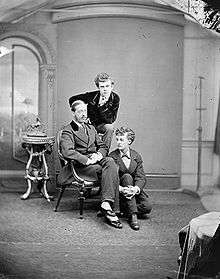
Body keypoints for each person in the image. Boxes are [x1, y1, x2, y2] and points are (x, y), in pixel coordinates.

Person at [57, 100, 122, 229]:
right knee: (107, 170)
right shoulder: (68, 131)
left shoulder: (91, 128)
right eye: (80, 111)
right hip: (80, 166)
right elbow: (67, 152)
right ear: (73, 113)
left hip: (94, 160)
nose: (83, 114)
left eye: (85, 111)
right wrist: (86, 160)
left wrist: (98, 155)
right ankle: (112, 211)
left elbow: (102, 146)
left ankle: (106, 204)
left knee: (110, 162)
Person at [109, 127, 152, 230]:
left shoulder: (136, 156)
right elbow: (110, 179)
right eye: (117, 139)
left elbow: (141, 177)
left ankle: (124, 209)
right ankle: (133, 216)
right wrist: (121, 189)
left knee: (147, 206)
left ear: (129, 141)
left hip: (132, 190)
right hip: (118, 192)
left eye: (121, 140)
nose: (118, 142)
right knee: (127, 177)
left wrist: (135, 189)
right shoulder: (112, 157)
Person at [68, 73, 120, 152]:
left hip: (102, 125)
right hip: (88, 124)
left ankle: (103, 152)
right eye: (102, 87)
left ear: (112, 86)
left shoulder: (115, 98)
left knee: (110, 128)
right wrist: (83, 113)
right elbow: (72, 99)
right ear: (98, 87)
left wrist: (102, 106)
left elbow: (111, 119)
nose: (105, 89)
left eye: (107, 86)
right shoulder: (92, 96)